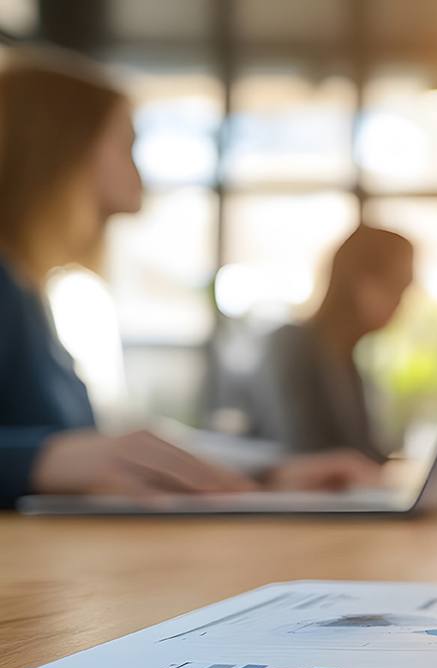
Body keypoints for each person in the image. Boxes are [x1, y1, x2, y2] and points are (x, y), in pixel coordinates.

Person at [0, 53, 378, 509]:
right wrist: (40, 461)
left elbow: (106, 448)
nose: (141, 179)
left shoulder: (26, 291)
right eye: (126, 146)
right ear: (59, 150)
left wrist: (269, 471)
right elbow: (74, 454)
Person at [247, 226, 413, 462]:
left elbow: (362, 453)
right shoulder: (291, 344)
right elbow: (301, 453)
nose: (402, 303)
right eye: (397, 286)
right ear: (361, 283)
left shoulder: (346, 359)